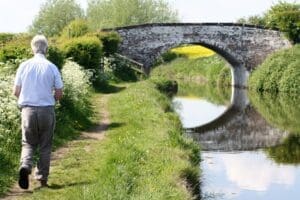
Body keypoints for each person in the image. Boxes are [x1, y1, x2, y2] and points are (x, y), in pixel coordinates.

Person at [13, 35, 63, 189]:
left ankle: (26, 166)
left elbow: (16, 91)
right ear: (46, 49)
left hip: (27, 110)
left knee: (27, 143)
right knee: (45, 145)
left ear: (32, 48)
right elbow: (59, 93)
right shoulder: (52, 67)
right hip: (46, 110)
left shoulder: (23, 66)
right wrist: (52, 98)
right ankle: (42, 178)